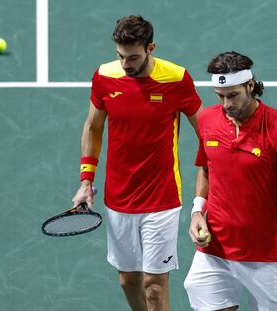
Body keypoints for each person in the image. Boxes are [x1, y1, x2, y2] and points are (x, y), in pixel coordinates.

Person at [72, 15, 202, 311]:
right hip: (118, 197)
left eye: (133, 57)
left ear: (150, 48)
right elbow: (93, 127)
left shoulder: (176, 78)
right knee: (128, 280)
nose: (126, 64)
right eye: (120, 56)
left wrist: (219, 177)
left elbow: (204, 129)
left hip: (162, 197)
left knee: (154, 286)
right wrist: (86, 179)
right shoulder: (105, 77)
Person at [184, 51, 277, 311]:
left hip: (265, 256)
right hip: (215, 250)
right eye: (220, 96)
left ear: (250, 86)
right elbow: (206, 168)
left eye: (233, 95)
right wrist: (198, 211)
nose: (226, 104)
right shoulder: (208, 119)